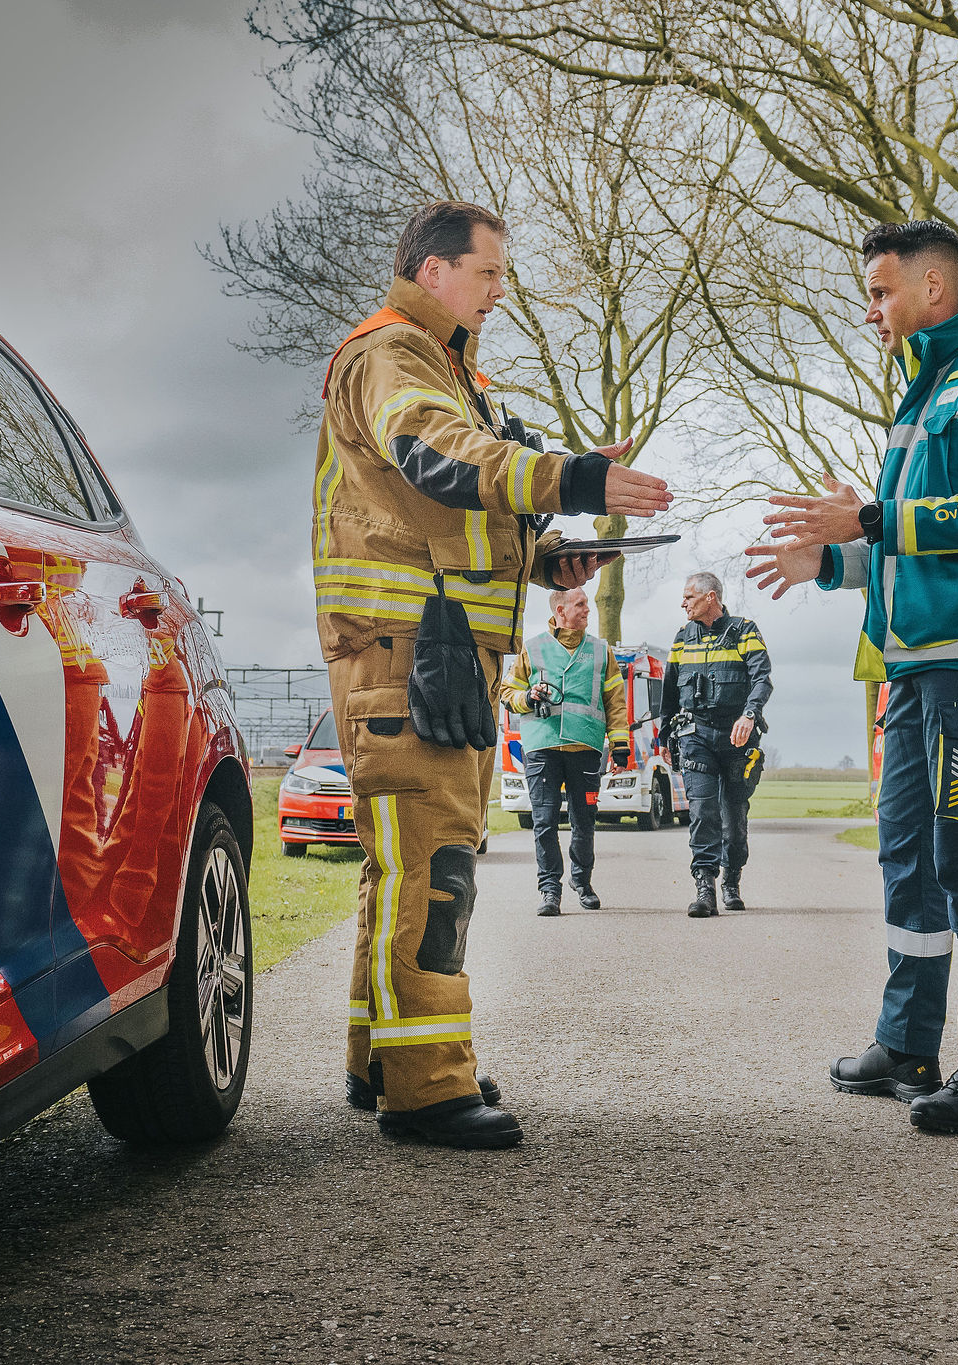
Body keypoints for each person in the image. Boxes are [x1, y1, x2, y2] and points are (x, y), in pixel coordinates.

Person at [315, 200, 670, 1149]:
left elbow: (452, 513)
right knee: (432, 872)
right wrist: (571, 479)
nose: (501, 290)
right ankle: (426, 1088)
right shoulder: (395, 357)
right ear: (435, 273)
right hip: (406, 658)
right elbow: (436, 456)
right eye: (490, 273)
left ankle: (383, 1060)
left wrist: (547, 558)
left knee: (412, 866)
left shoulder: (443, 365)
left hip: (432, 657)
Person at [746, 220, 958, 1135]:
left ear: (934, 289)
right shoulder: (925, 389)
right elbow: (905, 543)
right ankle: (909, 1042)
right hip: (917, 669)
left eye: (880, 292)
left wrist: (874, 516)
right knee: (910, 860)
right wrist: (835, 564)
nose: (870, 310)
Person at [502, 586, 629, 917]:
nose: (588, 610)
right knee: (543, 820)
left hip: (586, 748)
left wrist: (619, 746)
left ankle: (582, 882)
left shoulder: (601, 651)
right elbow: (506, 691)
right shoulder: (532, 649)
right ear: (560, 611)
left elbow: (616, 702)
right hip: (542, 747)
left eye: (587, 604)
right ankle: (549, 889)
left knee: (583, 821)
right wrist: (527, 698)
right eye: (581, 604)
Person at [658, 572, 772, 919]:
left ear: (710, 597)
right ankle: (705, 886)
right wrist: (665, 736)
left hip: (737, 739)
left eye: (689, 597)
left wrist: (749, 715)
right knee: (702, 812)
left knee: (734, 822)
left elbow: (762, 678)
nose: (683, 603)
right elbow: (670, 691)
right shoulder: (682, 638)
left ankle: (732, 880)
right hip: (696, 736)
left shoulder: (744, 630)